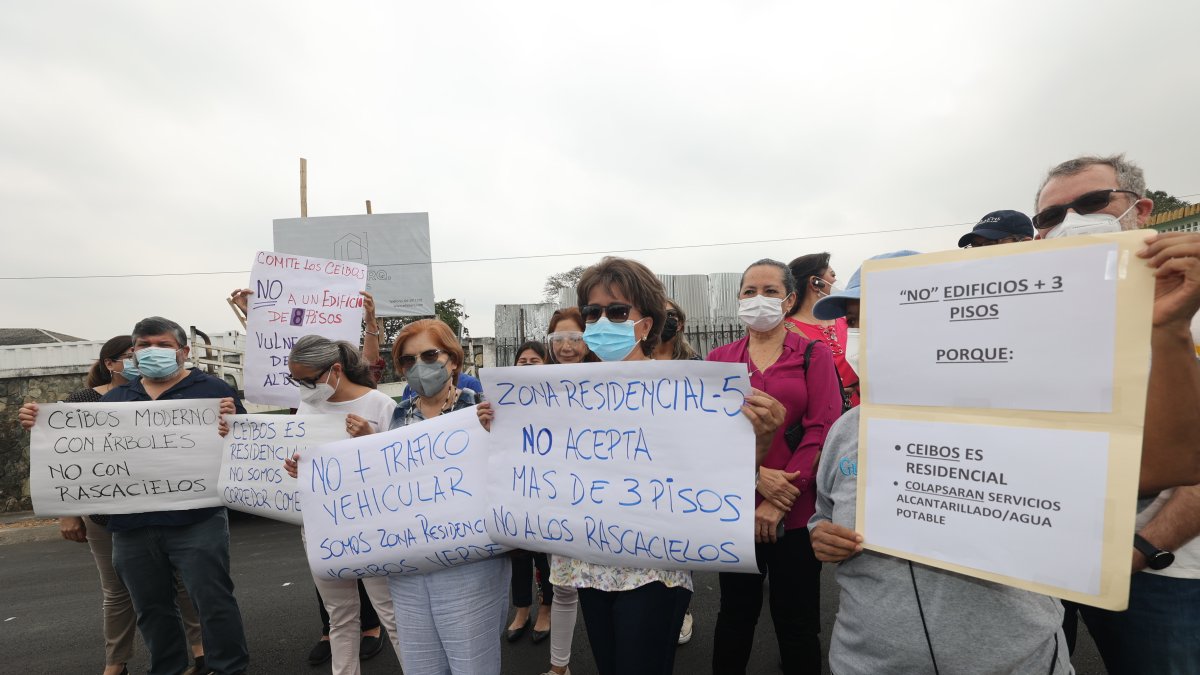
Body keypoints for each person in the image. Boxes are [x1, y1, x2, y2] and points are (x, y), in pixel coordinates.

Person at [808, 252, 1074, 674]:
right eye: (857, 321)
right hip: (866, 661)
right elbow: (822, 514)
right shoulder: (848, 428)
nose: (864, 334)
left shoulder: (1027, 419)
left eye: (885, 315)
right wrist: (822, 535)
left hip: (1016, 662)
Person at [520, 256, 784, 675]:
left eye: (618, 311)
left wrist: (764, 438)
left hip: (655, 566)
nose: (603, 320)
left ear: (646, 322)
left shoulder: (685, 387)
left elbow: (718, 474)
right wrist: (495, 425)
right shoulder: (563, 393)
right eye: (593, 312)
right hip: (590, 563)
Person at [1033, 154, 1200, 673]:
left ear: (1140, 210)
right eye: (1051, 217)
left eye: (1091, 203)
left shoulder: (1191, 310)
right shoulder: (1039, 326)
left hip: (1162, 575)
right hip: (1051, 560)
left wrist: (1135, 551)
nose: (1070, 223)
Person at [20, 316, 249, 675]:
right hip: (130, 526)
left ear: (184, 352)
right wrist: (41, 422)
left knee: (213, 602)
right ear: (133, 353)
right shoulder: (117, 399)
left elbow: (248, 445)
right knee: (151, 608)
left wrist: (233, 424)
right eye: (143, 345)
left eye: (163, 345)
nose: (152, 351)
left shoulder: (214, 390)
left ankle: (229, 668)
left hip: (197, 520)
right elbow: (81, 454)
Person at [709, 259, 842, 674]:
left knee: (798, 624)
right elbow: (707, 437)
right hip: (735, 510)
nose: (758, 299)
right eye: (749, 291)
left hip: (797, 513)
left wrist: (779, 499)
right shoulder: (719, 360)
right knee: (734, 617)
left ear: (787, 300)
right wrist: (753, 479)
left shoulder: (813, 355)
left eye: (769, 291)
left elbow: (823, 429)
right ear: (738, 300)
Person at [57, 336, 205, 675]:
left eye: (139, 353)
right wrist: (68, 512)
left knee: (181, 581)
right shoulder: (81, 401)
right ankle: (116, 663)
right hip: (103, 512)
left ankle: (201, 651)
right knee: (116, 590)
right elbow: (62, 454)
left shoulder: (162, 396)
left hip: (160, 504)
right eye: (130, 355)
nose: (139, 359)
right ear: (110, 364)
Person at [385, 319, 510, 674]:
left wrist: (496, 436)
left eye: (429, 354)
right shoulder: (397, 416)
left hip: (469, 568)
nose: (418, 366)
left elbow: (512, 473)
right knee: (421, 665)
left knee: (472, 664)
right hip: (409, 568)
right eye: (408, 360)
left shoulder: (483, 410)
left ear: (453, 360)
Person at [283, 335, 403, 675]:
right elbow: (306, 460)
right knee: (340, 617)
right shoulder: (309, 406)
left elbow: (402, 471)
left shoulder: (380, 405)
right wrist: (296, 469)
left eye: (308, 379)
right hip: (323, 525)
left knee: (391, 612)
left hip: (374, 525)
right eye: (297, 380)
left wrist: (370, 440)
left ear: (335, 369)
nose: (303, 388)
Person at [535, 306, 596, 675]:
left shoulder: (610, 379)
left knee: (606, 591)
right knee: (563, 588)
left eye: (576, 337)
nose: (568, 346)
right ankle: (559, 667)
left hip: (603, 500)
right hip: (559, 500)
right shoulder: (535, 388)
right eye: (559, 339)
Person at [649, 299, 699, 646]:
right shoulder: (632, 363)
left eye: (670, 316)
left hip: (682, 470)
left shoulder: (695, 366)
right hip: (641, 467)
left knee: (681, 544)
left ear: (678, 323)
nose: (664, 322)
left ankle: (681, 608)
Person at [506, 341, 555, 645]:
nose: (526, 365)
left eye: (534, 360)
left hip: (547, 490)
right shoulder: (505, 399)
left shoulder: (556, 398)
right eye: (521, 360)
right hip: (516, 488)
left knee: (544, 557)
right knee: (518, 555)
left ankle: (546, 608)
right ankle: (522, 609)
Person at [785, 253, 859, 408]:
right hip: (821, 415)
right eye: (832, 275)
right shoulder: (784, 330)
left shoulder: (848, 320)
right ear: (815, 282)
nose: (836, 281)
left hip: (861, 412)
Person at [956, 209, 1035, 248]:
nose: (978, 252)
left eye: (990, 244)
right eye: (975, 246)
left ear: (1026, 243)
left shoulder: (1044, 277)